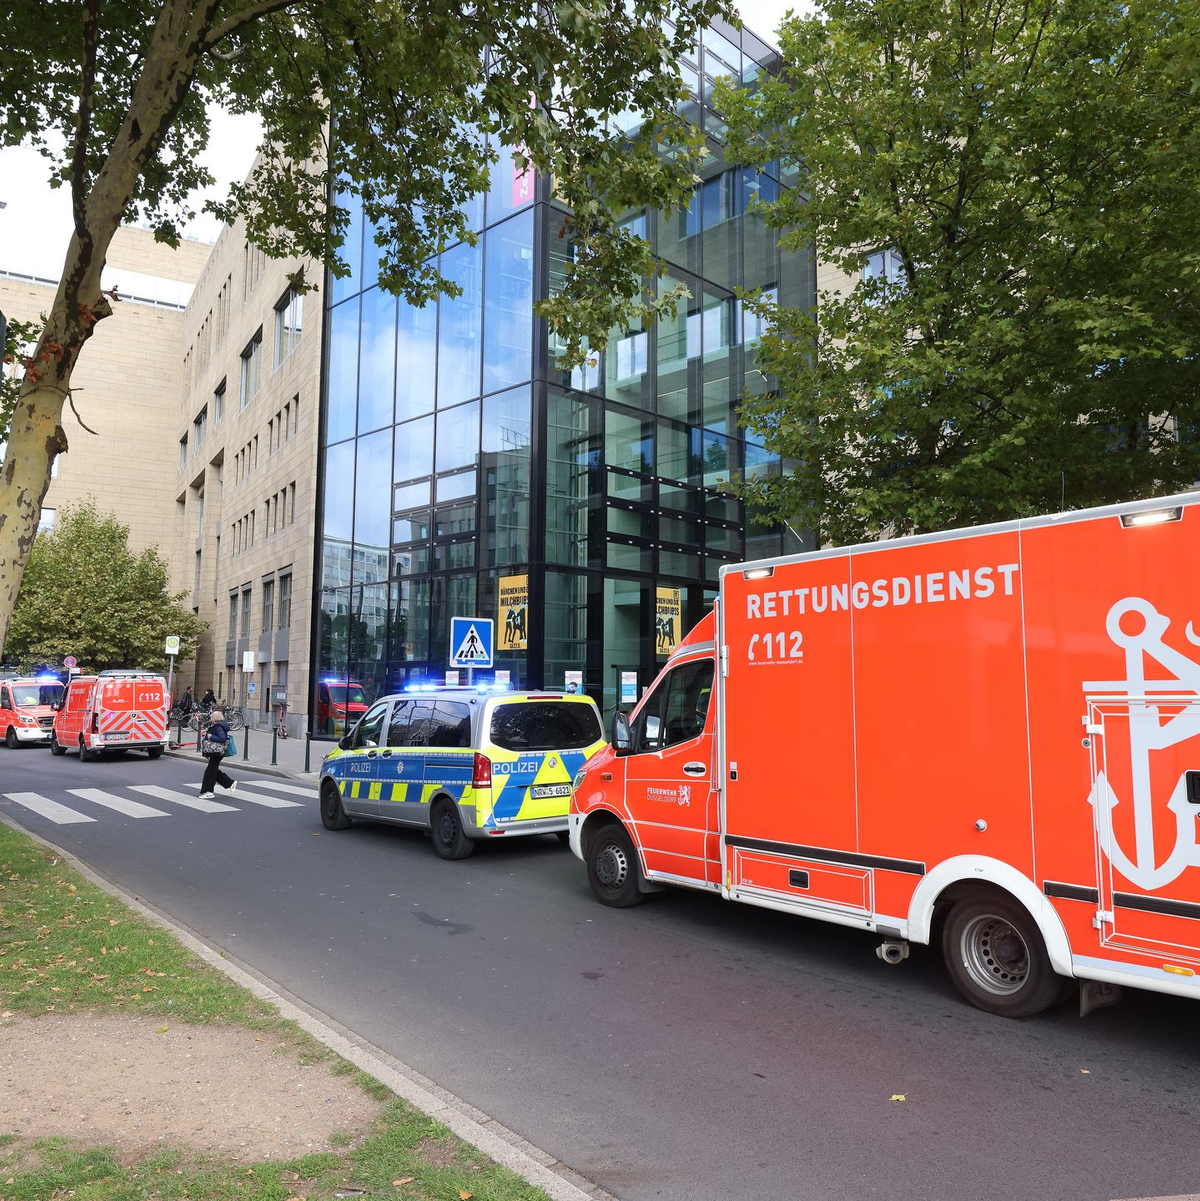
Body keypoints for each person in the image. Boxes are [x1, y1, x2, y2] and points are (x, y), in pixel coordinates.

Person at [199, 709, 238, 799]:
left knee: (210, 772)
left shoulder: (218, 727)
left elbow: (222, 738)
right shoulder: (220, 726)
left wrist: (210, 736)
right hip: (217, 752)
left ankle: (209, 791)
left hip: (216, 752)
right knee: (213, 770)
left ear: (215, 718)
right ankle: (229, 783)